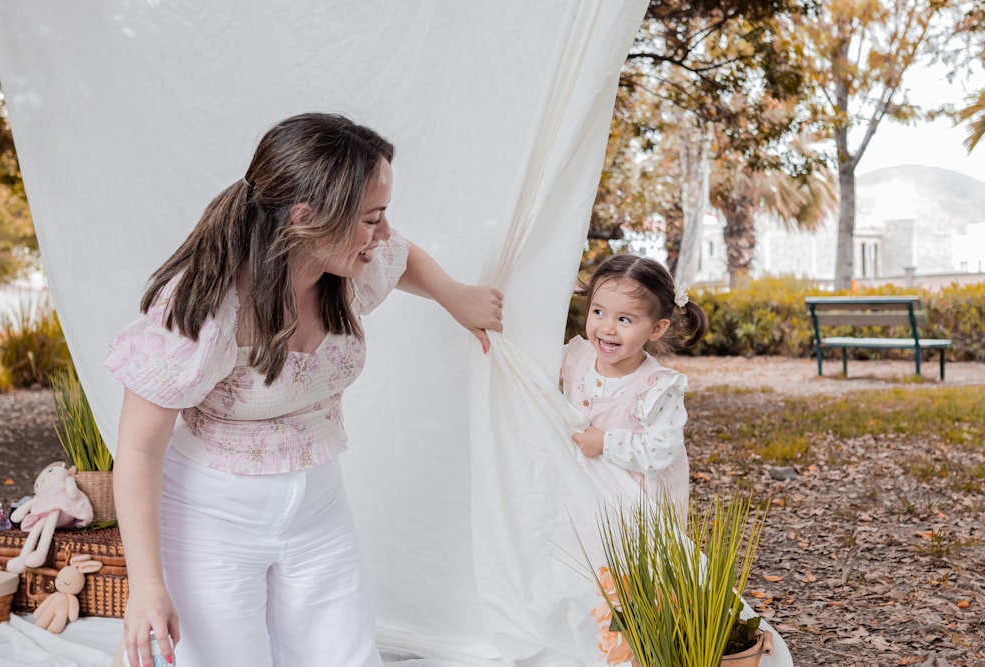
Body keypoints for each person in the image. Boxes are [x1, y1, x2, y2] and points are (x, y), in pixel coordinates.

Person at [105, 112, 504, 667]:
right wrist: (146, 584)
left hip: (318, 506)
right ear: (305, 218)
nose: (384, 233)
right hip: (212, 519)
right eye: (372, 218)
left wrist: (454, 295)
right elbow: (140, 449)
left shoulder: (350, 268)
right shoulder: (200, 310)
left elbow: (403, 254)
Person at [560, 253, 707, 515]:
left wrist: (606, 442)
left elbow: (661, 450)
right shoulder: (576, 357)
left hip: (636, 508)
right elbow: (530, 370)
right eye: (598, 312)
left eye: (624, 319)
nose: (607, 328)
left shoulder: (657, 388)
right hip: (585, 496)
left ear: (656, 329)